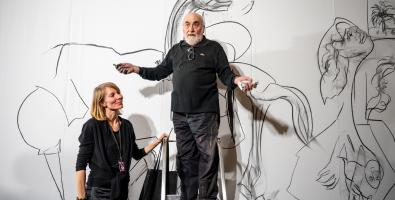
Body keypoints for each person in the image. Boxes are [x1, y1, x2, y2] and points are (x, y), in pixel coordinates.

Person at [114, 12, 255, 200]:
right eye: (187, 24)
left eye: (196, 24)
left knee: (207, 160)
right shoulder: (175, 51)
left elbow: (225, 74)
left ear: (202, 27)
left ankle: (207, 198)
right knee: (186, 161)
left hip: (205, 115)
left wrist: (237, 80)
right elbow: (159, 72)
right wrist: (137, 69)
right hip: (180, 116)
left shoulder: (213, 49)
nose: (191, 28)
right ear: (183, 28)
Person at [75, 82, 167, 200]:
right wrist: (81, 197)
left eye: (118, 93)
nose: (119, 96)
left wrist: (158, 141)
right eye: (112, 95)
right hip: (100, 191)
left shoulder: (127, 126)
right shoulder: (92, 126)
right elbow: (80, 165)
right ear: (102, 102)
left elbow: (136, 154)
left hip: (121, 189)